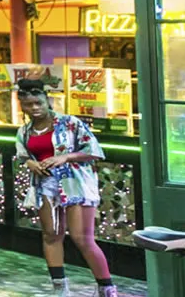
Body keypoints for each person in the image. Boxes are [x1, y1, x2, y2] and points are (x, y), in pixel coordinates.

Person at [15, 77, 116, 296]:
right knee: (51, 235)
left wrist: (66, 157)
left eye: (38, 103)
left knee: (82, 238)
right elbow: (22, 155)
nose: (34, 108)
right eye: (28, 105)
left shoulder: (70, 123)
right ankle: (61, 290)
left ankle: (107, 288)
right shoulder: (24, 131)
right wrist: (30, 162)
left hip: (75, 185)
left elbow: (94, 150)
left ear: (47, 101)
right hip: (45, 186)